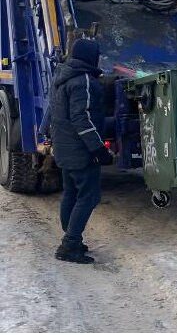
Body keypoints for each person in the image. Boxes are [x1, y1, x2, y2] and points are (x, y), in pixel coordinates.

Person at [50, 38, 112, 264]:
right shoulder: (83, 80)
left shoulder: (61, 77)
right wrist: (98, 149)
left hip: (64, 148)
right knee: (89, 196)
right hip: (80, 151)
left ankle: (72, 238)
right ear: (90, 58)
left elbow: (54, 113)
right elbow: (81, 118)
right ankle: (69, 245)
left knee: (71, 193)